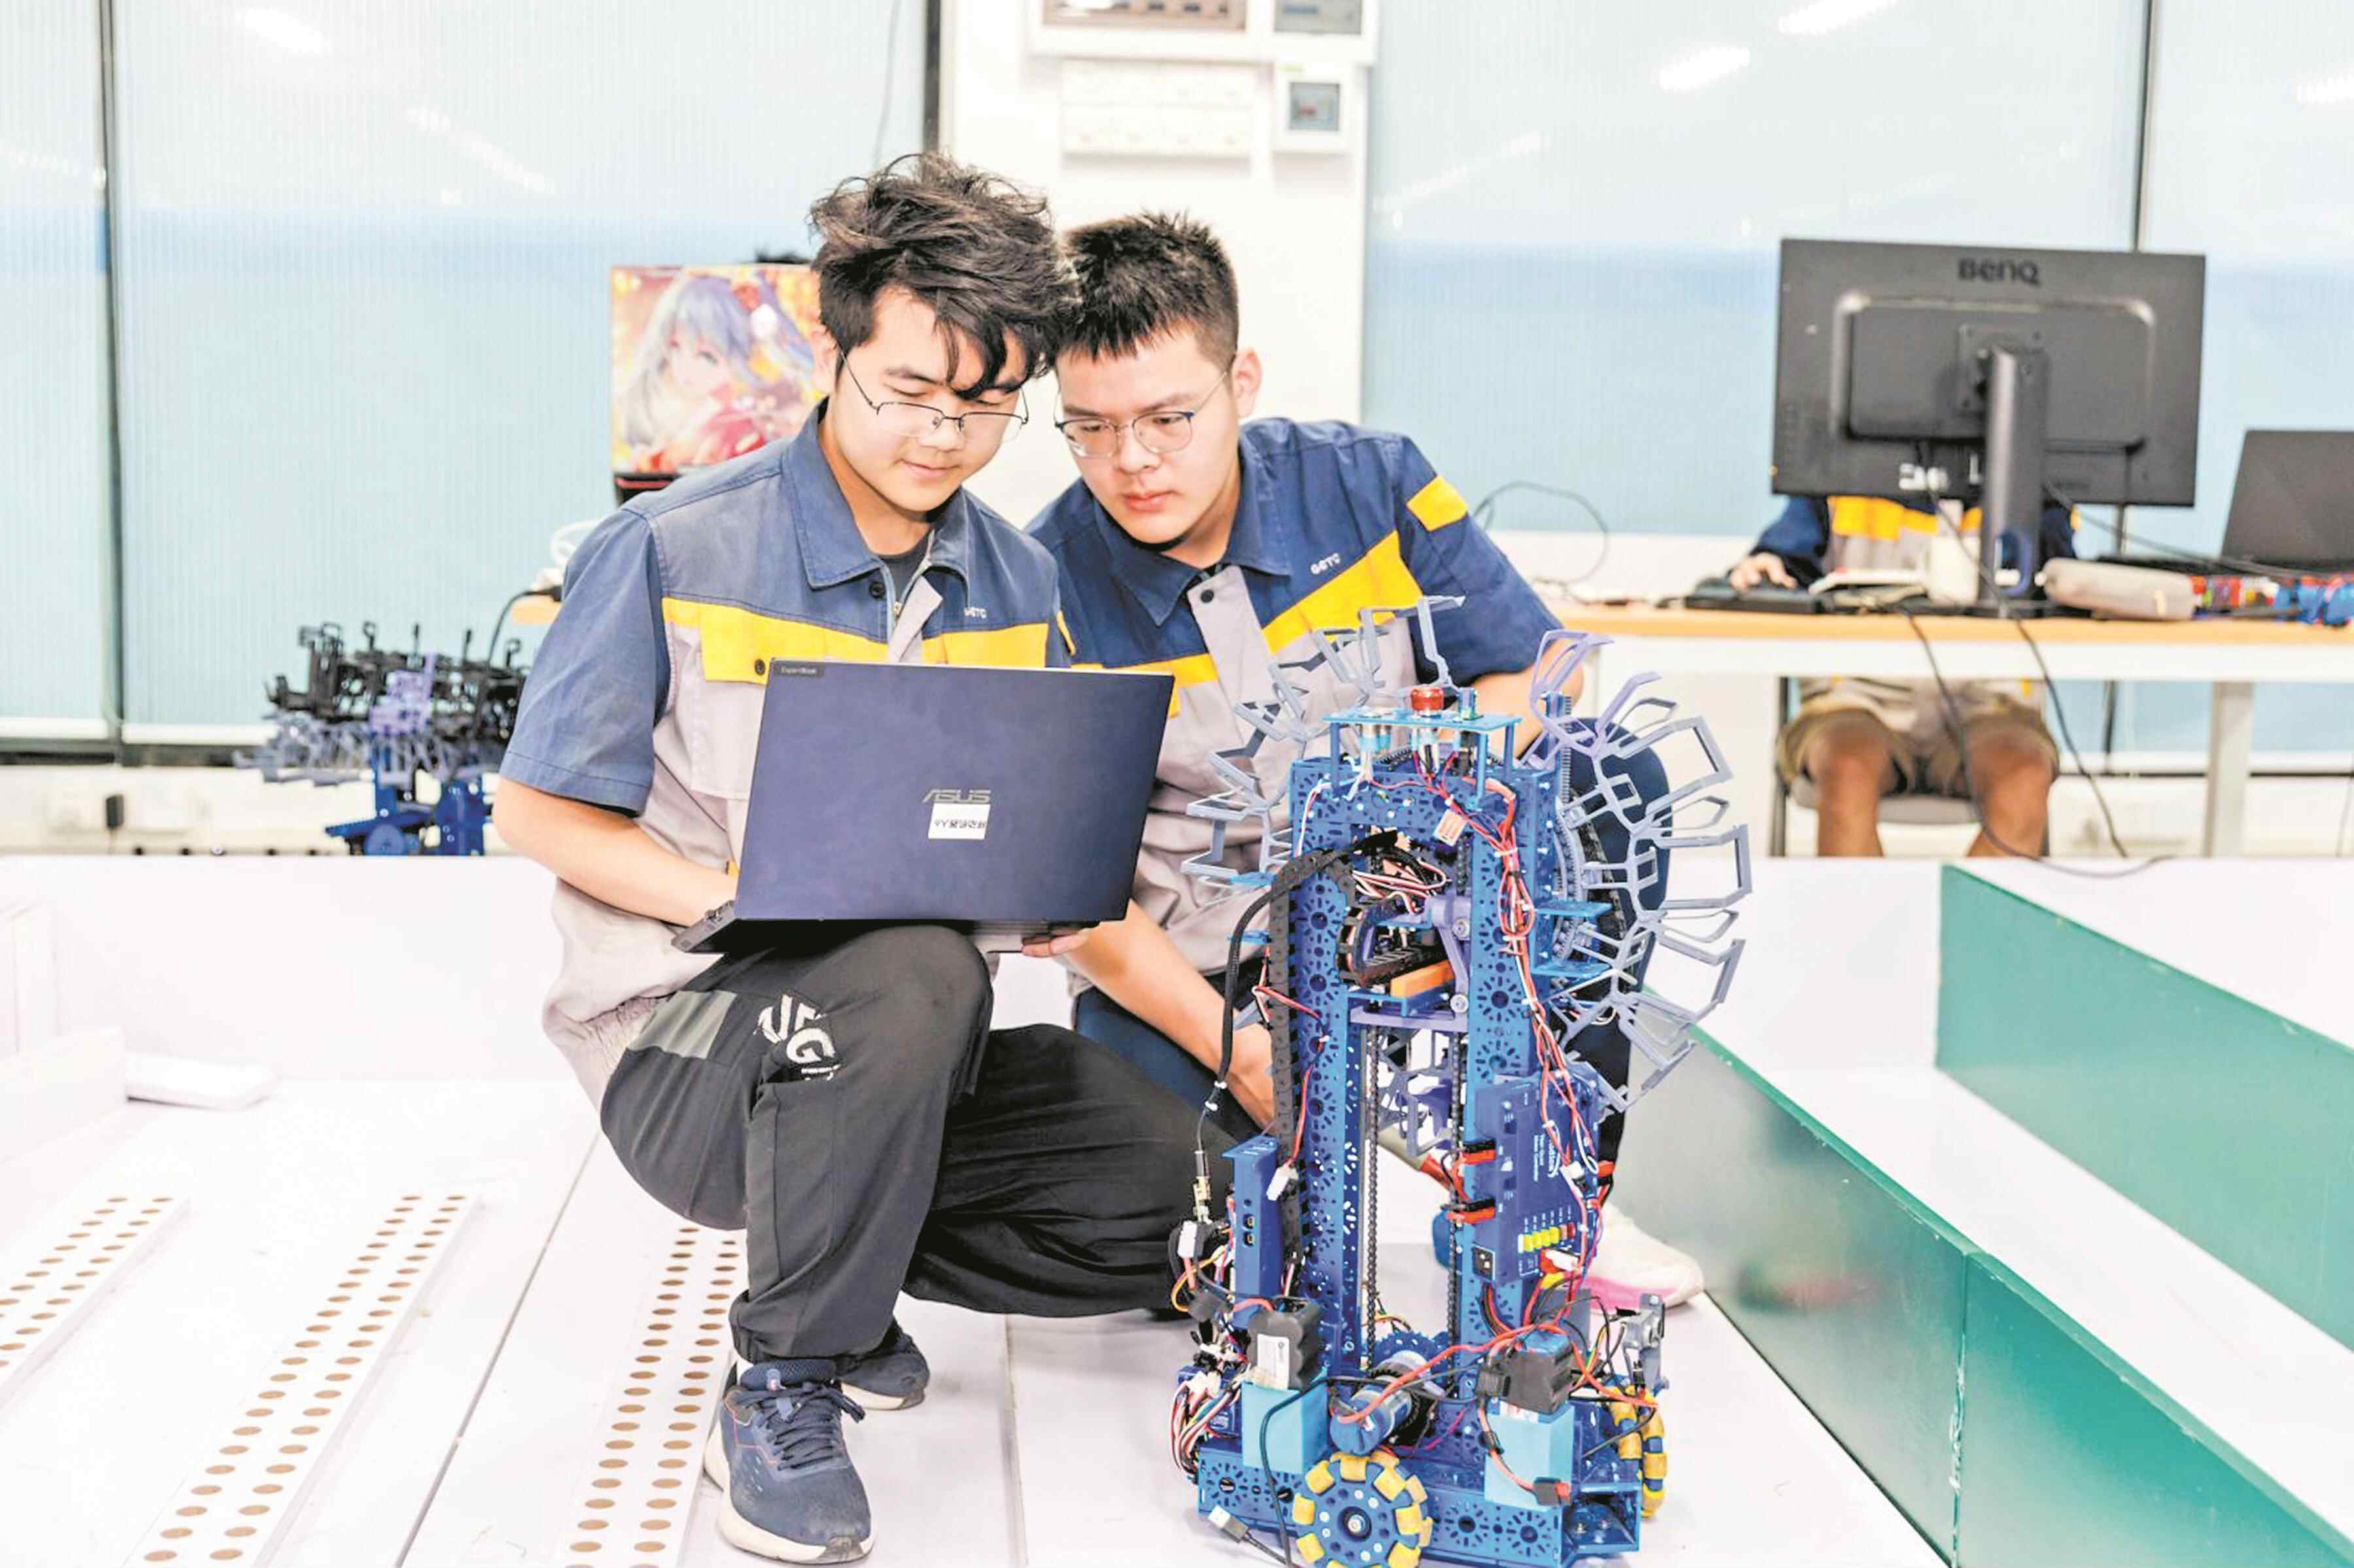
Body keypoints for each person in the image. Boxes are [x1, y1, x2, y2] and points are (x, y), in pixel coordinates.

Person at [494, 157, 1217, 1565]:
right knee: (906, 958)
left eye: (987, 405)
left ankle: (849, 1254)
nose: (945, 435)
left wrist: (1224, 1041)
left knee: (1176, 1186)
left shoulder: (1020, 582)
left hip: (907, 1056)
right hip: (688, 1043)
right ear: (834, 356)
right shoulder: (673, 546)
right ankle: (787, 1375)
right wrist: (740, 899)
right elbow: (536, 812)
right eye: (910, 392)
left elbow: (1057, 862)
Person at [1029, 212, 1701, 1310]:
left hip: (1414, 913)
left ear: (1242, 380)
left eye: (1168, 418)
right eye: (1091, 428)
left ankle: (1553, 1189)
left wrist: (1412, 814)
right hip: (1206, 975)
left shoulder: (1372, 482)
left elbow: (1538, 672)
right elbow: (1078, 903)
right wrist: (1244, 1050)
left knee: (1606, 778)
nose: (1132, 461)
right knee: (1182, 1244)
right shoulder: (1041, 583)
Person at [1728, 494, 2073, 857]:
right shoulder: (1835, 479)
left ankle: (1961, 900)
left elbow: (2061, 573)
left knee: (2024, 773)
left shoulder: (2035, 481)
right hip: (1857, 698)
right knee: (1847, 767)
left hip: (1990, 702)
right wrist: (1767, 563)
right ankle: (1867, 901)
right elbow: (1784, 557)